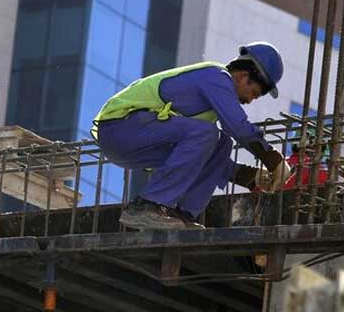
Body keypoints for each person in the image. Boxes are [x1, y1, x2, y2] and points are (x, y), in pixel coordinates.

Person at [93, 42, 292, 230]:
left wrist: (251, 177)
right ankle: (147, 205)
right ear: (241, 76)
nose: (249, 100)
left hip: (137, 138)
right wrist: (273, 159)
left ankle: (182, 215)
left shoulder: (208, 109)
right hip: (119, 126)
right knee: (208, 133)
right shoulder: (216, 77)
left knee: (221, 143)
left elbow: (200, 155)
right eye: (253, 92)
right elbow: (238, 127)